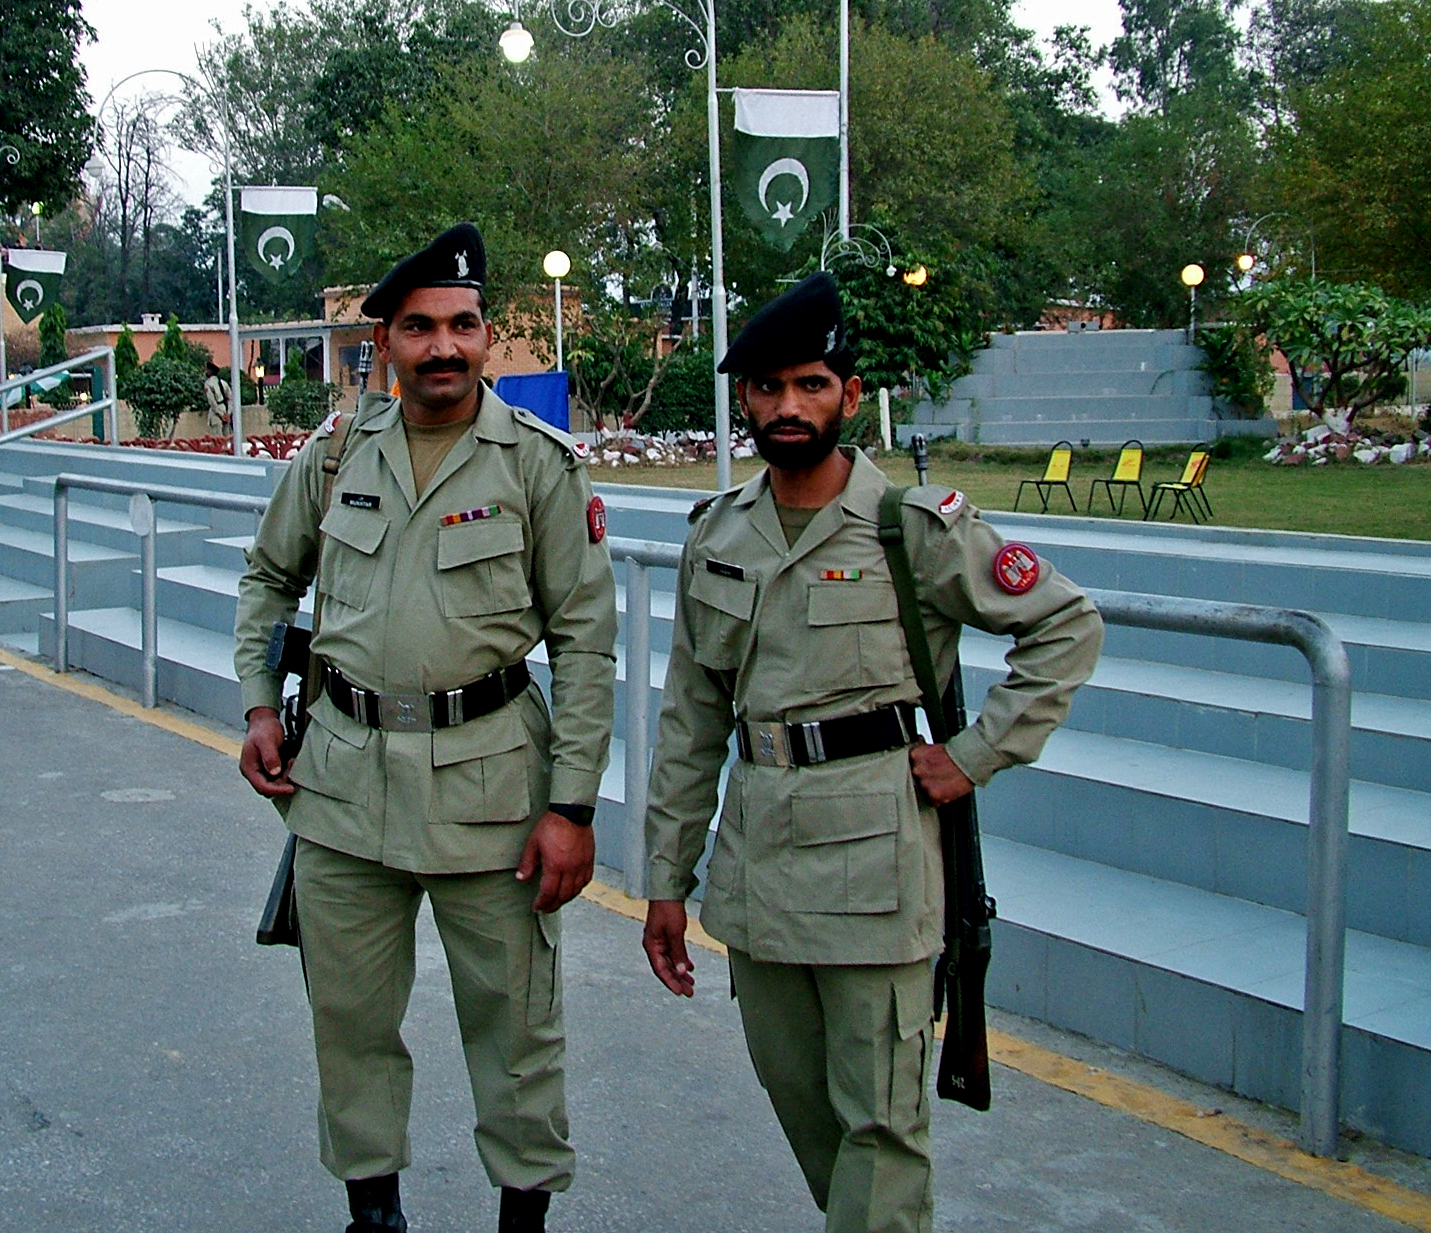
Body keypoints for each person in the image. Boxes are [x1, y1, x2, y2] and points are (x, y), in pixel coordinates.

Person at [641, 272, 1103, 1233]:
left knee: (882, 1132)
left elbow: (1063, 623)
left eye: (810, 384)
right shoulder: (716, 535)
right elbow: (690, 719)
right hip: (758, 867)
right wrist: (665, 881)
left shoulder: (913, 530)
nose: (787, 406)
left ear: (849, 395)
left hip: (876, 872)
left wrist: (973, 755)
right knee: (807, 1113)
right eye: (767, 388)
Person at [233, 222, 617, 1233]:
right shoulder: (332, 457)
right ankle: (374, 1216)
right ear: (386, 345)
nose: (444, 346)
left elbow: (586, 645)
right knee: (349, 1022)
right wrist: (258, 706)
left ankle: (522, 1222)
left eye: (463, 325)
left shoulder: (538, 464)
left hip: (494, 788)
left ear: (487, 335)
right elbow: (269, 580)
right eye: (420, 328)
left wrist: (571, 807)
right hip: (344, 785)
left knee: (517, 1030)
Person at [203, 361, 231, 433]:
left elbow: (212, 401)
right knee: (226, 438)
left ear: (210, 371)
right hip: (225, 409)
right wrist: (228, 413)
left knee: (217, 439)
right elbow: (231, 399)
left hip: (216, 412)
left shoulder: (208, 383)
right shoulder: (223, 383)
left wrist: (221, 415)